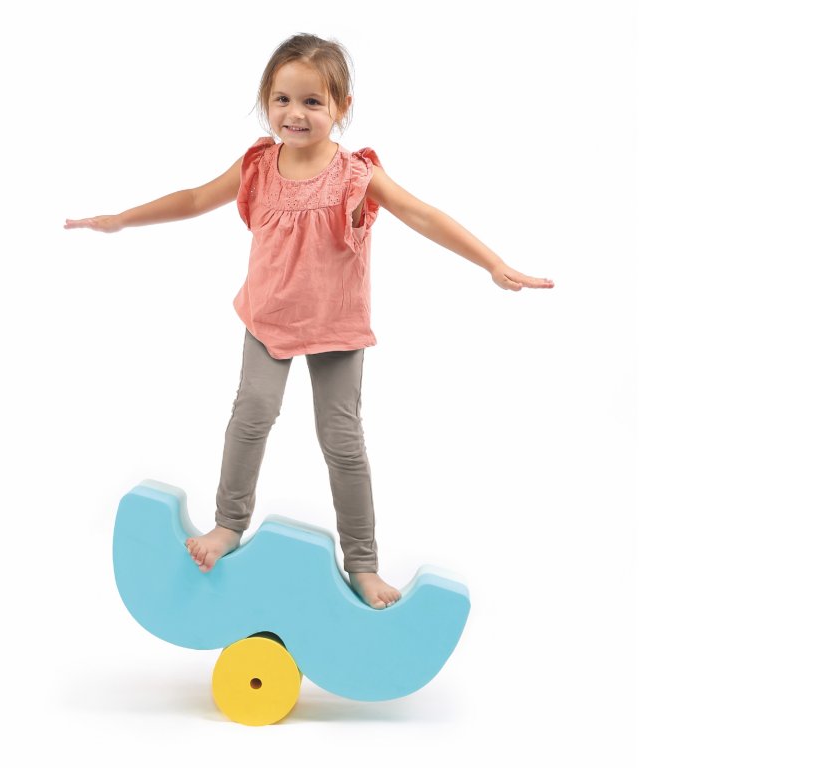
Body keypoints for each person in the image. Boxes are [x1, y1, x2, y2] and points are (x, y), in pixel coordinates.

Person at [64, 33, 554, 610]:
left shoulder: (356, 175)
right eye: (282, 99)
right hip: (268, 319)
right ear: (266, 102)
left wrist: (493, 263)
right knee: (251, 416)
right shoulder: (257, 166)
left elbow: (422, 214)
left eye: (312, 102)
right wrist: (121, 219)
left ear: (341, 107)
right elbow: (195, 198)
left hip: (336, 328)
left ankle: (363, 563)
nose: (294, 114)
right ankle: (227, 525)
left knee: (342, 441)